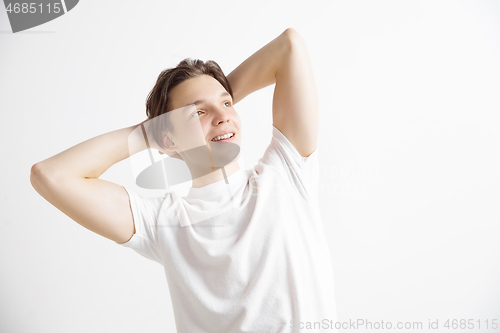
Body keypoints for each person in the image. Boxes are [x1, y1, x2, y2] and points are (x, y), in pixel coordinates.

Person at [30, 28, 337, 333]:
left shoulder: (286, 173)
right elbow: (50, 175)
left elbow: (289, 46)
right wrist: (151, 133)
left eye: (228, 103)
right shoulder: (163, 223)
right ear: (169, 140)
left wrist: (208, 106)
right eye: (199, 112)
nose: (223, 116)